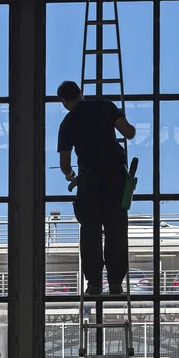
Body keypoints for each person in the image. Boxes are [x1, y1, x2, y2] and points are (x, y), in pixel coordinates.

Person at [57, 80, 136, 295]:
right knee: (117, 230)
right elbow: (128, 132)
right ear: (81, 93)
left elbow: (65, 165)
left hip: (89, 180)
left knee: (90, 231)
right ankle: (116, 283)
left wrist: (71, 176)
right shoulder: (106, 106)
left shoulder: (67, 122)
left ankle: (93, 283)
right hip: (114, 177)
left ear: (64, 101)